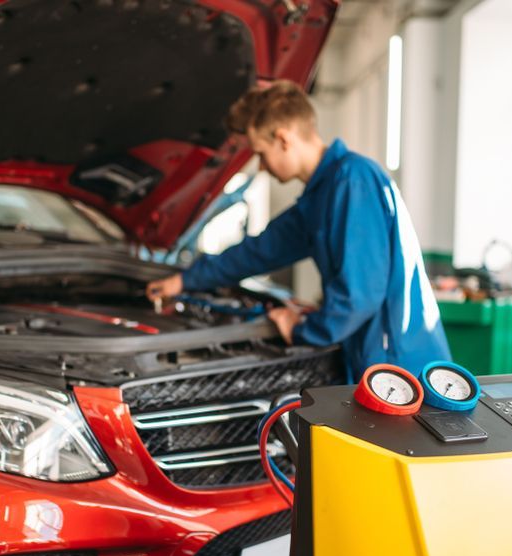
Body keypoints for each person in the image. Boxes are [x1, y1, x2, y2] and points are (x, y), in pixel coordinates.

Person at [147, 80, 450, 381]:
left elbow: (358, 297)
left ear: (283, 139)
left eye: (261, 153)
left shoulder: (352, 180)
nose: (262, 166)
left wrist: (302, 330)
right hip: (370, 360)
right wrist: (184, 280)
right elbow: (258, 251)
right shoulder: (321, 196)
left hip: (398, 370)